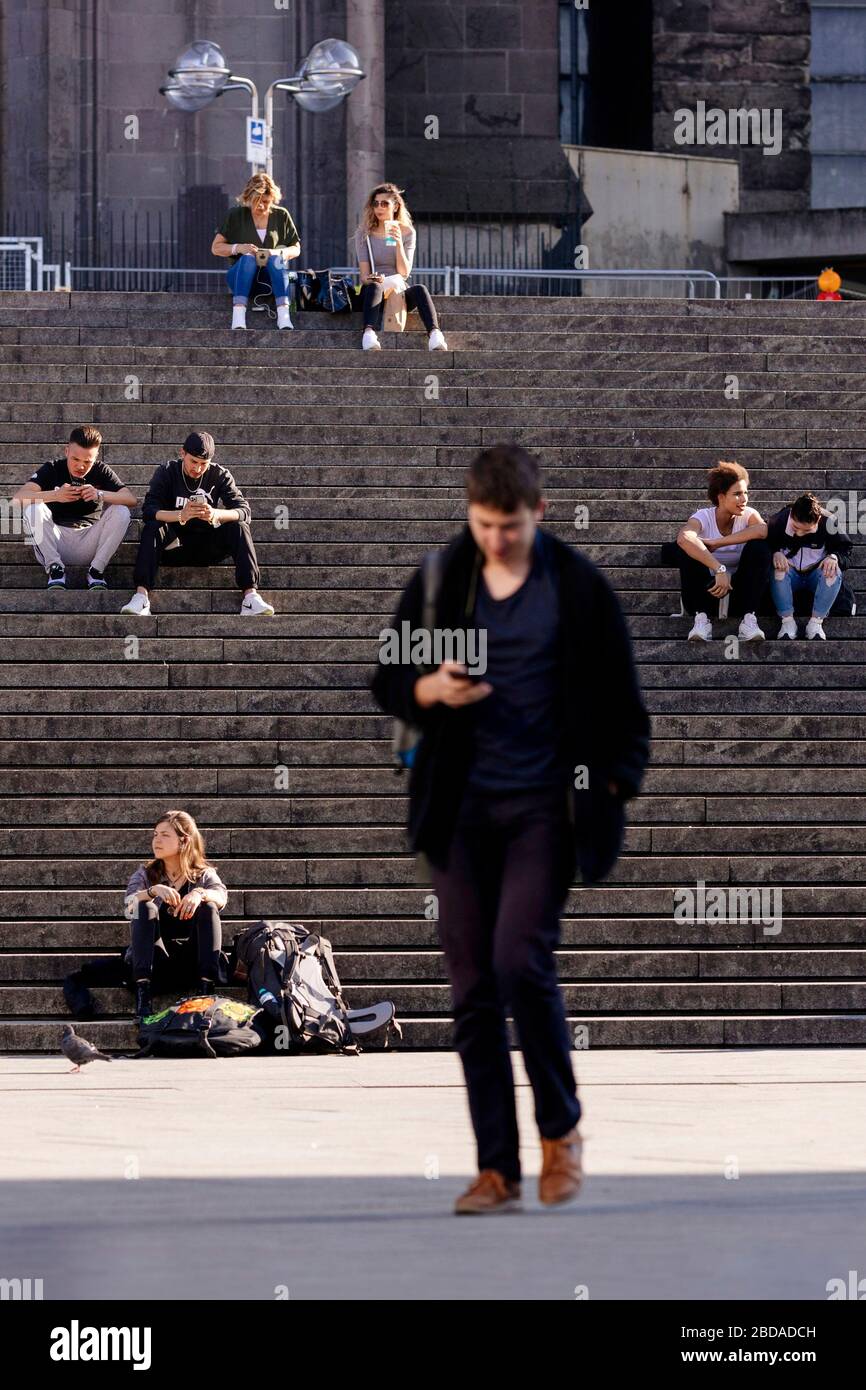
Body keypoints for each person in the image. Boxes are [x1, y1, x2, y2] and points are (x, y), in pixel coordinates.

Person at [371, 444, 650, 1214]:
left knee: (518, 960)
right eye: (485, 524)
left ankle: (561, 1133)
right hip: (458, 808)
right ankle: (498, 1168)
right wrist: (426, 686)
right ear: (471, 513)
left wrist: (618, 778)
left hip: (544, 808)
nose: (497, 539)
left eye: (511, 526)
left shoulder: (580, 589)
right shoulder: (440, 582)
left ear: (540, 513)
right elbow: (385, 678)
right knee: (470, 989)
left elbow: (627, 706)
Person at [120, 430, 274, 617]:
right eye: (193, 461)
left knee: (239, 526)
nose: (198, 468)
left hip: (208, 546)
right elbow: (149, 511)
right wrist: (180, 515)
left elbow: (244, 511)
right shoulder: (167, 471)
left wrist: (216, 514)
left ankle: (250, 597)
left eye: (203, 464)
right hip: (173, 546)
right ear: (182, 453)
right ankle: (141, 597)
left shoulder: (219, 474)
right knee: (153, 527)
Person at [123, 810, 229, 1019]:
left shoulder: (203, 874)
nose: (157, 840)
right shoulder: (146, 873)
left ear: (184, 841)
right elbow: (128, 907)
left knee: (208, 906)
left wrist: (200, 893)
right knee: (144, 906)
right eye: (155, 834)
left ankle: (206, 991)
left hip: (193, 960)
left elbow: (221, 896)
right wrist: (151, 892)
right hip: (156, 961)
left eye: (165, 835)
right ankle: (143, 996)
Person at [11, 425, 137, 589]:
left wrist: (99, 494)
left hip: (90, 542)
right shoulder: (53, 468)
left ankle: (96, 571)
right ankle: (55, 570)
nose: (81, 466)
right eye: (75, 459)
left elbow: (131, 499)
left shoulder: (101, 470)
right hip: (55, 542)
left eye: (87, 461)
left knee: (121, 511)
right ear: (67, 451)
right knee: (33, 508)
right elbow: (17, 499)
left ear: (96, 457)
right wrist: (56, 495)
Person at [676, 461, 771, 642]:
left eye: (745, 493)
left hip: (740, 596)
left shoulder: (748, 515)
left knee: (760, 547)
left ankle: (749, 620)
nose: (744, 499)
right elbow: (683, 538)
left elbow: (762, 530)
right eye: (737, 494)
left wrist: (717, 543)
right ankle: (701, 620)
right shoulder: (703, 517)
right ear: (721, 497)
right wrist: (719, 568)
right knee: (687, 549)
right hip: (706, 594)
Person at [355, 182, 448, 352]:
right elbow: (363, 276)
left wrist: (398, 243)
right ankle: (368, 333)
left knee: (419, 289)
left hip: (397, 290)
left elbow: (404, 273)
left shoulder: (407, 232)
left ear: (396, 206)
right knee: (374, 286)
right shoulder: (364, 234)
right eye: (375, 203)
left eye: (385, 203)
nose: (379, 208)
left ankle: (435, 335)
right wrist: (373, 278)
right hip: (373, 292)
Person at [211, 173, 301, 331]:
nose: (261, 206)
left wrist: (275, 253)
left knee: (276, 260)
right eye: (256, 202)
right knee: (248, 259)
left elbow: (296, 248)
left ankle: (284, 315)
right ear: (248, 198)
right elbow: (216, 247)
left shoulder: (281, 215)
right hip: (240, 277)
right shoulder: (235, 215)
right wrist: (238, 248)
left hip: (271, 279)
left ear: (273, 199)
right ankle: (238, 315)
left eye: (265, 202)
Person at [767, 491, 853, 640]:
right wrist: (775, 553)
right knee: (777, 570)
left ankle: (815, 623)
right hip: (790, 573)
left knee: (833, 570)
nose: (799, 533)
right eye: (795, 527)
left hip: (816, 574)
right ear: (791, 515)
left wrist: (834, 557)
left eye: (805, 530)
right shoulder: (779, 520)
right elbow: (763, 546)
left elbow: (845, 550)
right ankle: (787, 622)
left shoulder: (828, 522)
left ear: (818, 519)